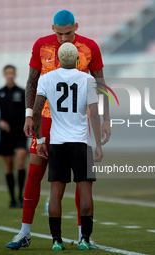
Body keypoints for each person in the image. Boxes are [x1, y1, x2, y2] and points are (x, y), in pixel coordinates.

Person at [7, 9, 110, 250]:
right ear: (53, 29)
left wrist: (105, 119)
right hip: (45, 121)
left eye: (69, 33)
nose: (64, 38)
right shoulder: (41, 45)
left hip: (75, 122)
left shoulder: (90, 47)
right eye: (60, 33)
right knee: (34, 174)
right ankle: (25, 232)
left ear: (76, 26)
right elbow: (31, 81)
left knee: (79, 179)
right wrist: (28, 115)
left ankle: (83, 235)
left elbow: (100, 83)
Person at [34, 43, 102, 250]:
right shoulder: (88, 79)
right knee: (85, 190)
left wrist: (40, 141)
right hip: (81, 142)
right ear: (78, 60)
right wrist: (98, 144)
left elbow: (36, 112)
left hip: (56, 142)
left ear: (58, 59)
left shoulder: (45, 79)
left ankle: (56, 240)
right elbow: (94, 114)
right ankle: (85, 239)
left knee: (56, 192)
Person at [0, 65, 27, 208]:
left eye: (12, 73)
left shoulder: (22, 92)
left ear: (15, 74)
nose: (10, 75)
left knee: (20, 161)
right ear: (4, 75)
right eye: (7, 73)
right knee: (9, 165)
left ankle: (21, 197)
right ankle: (12, 199)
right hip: (5, 135)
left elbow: (30, 110)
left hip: (20, 133)